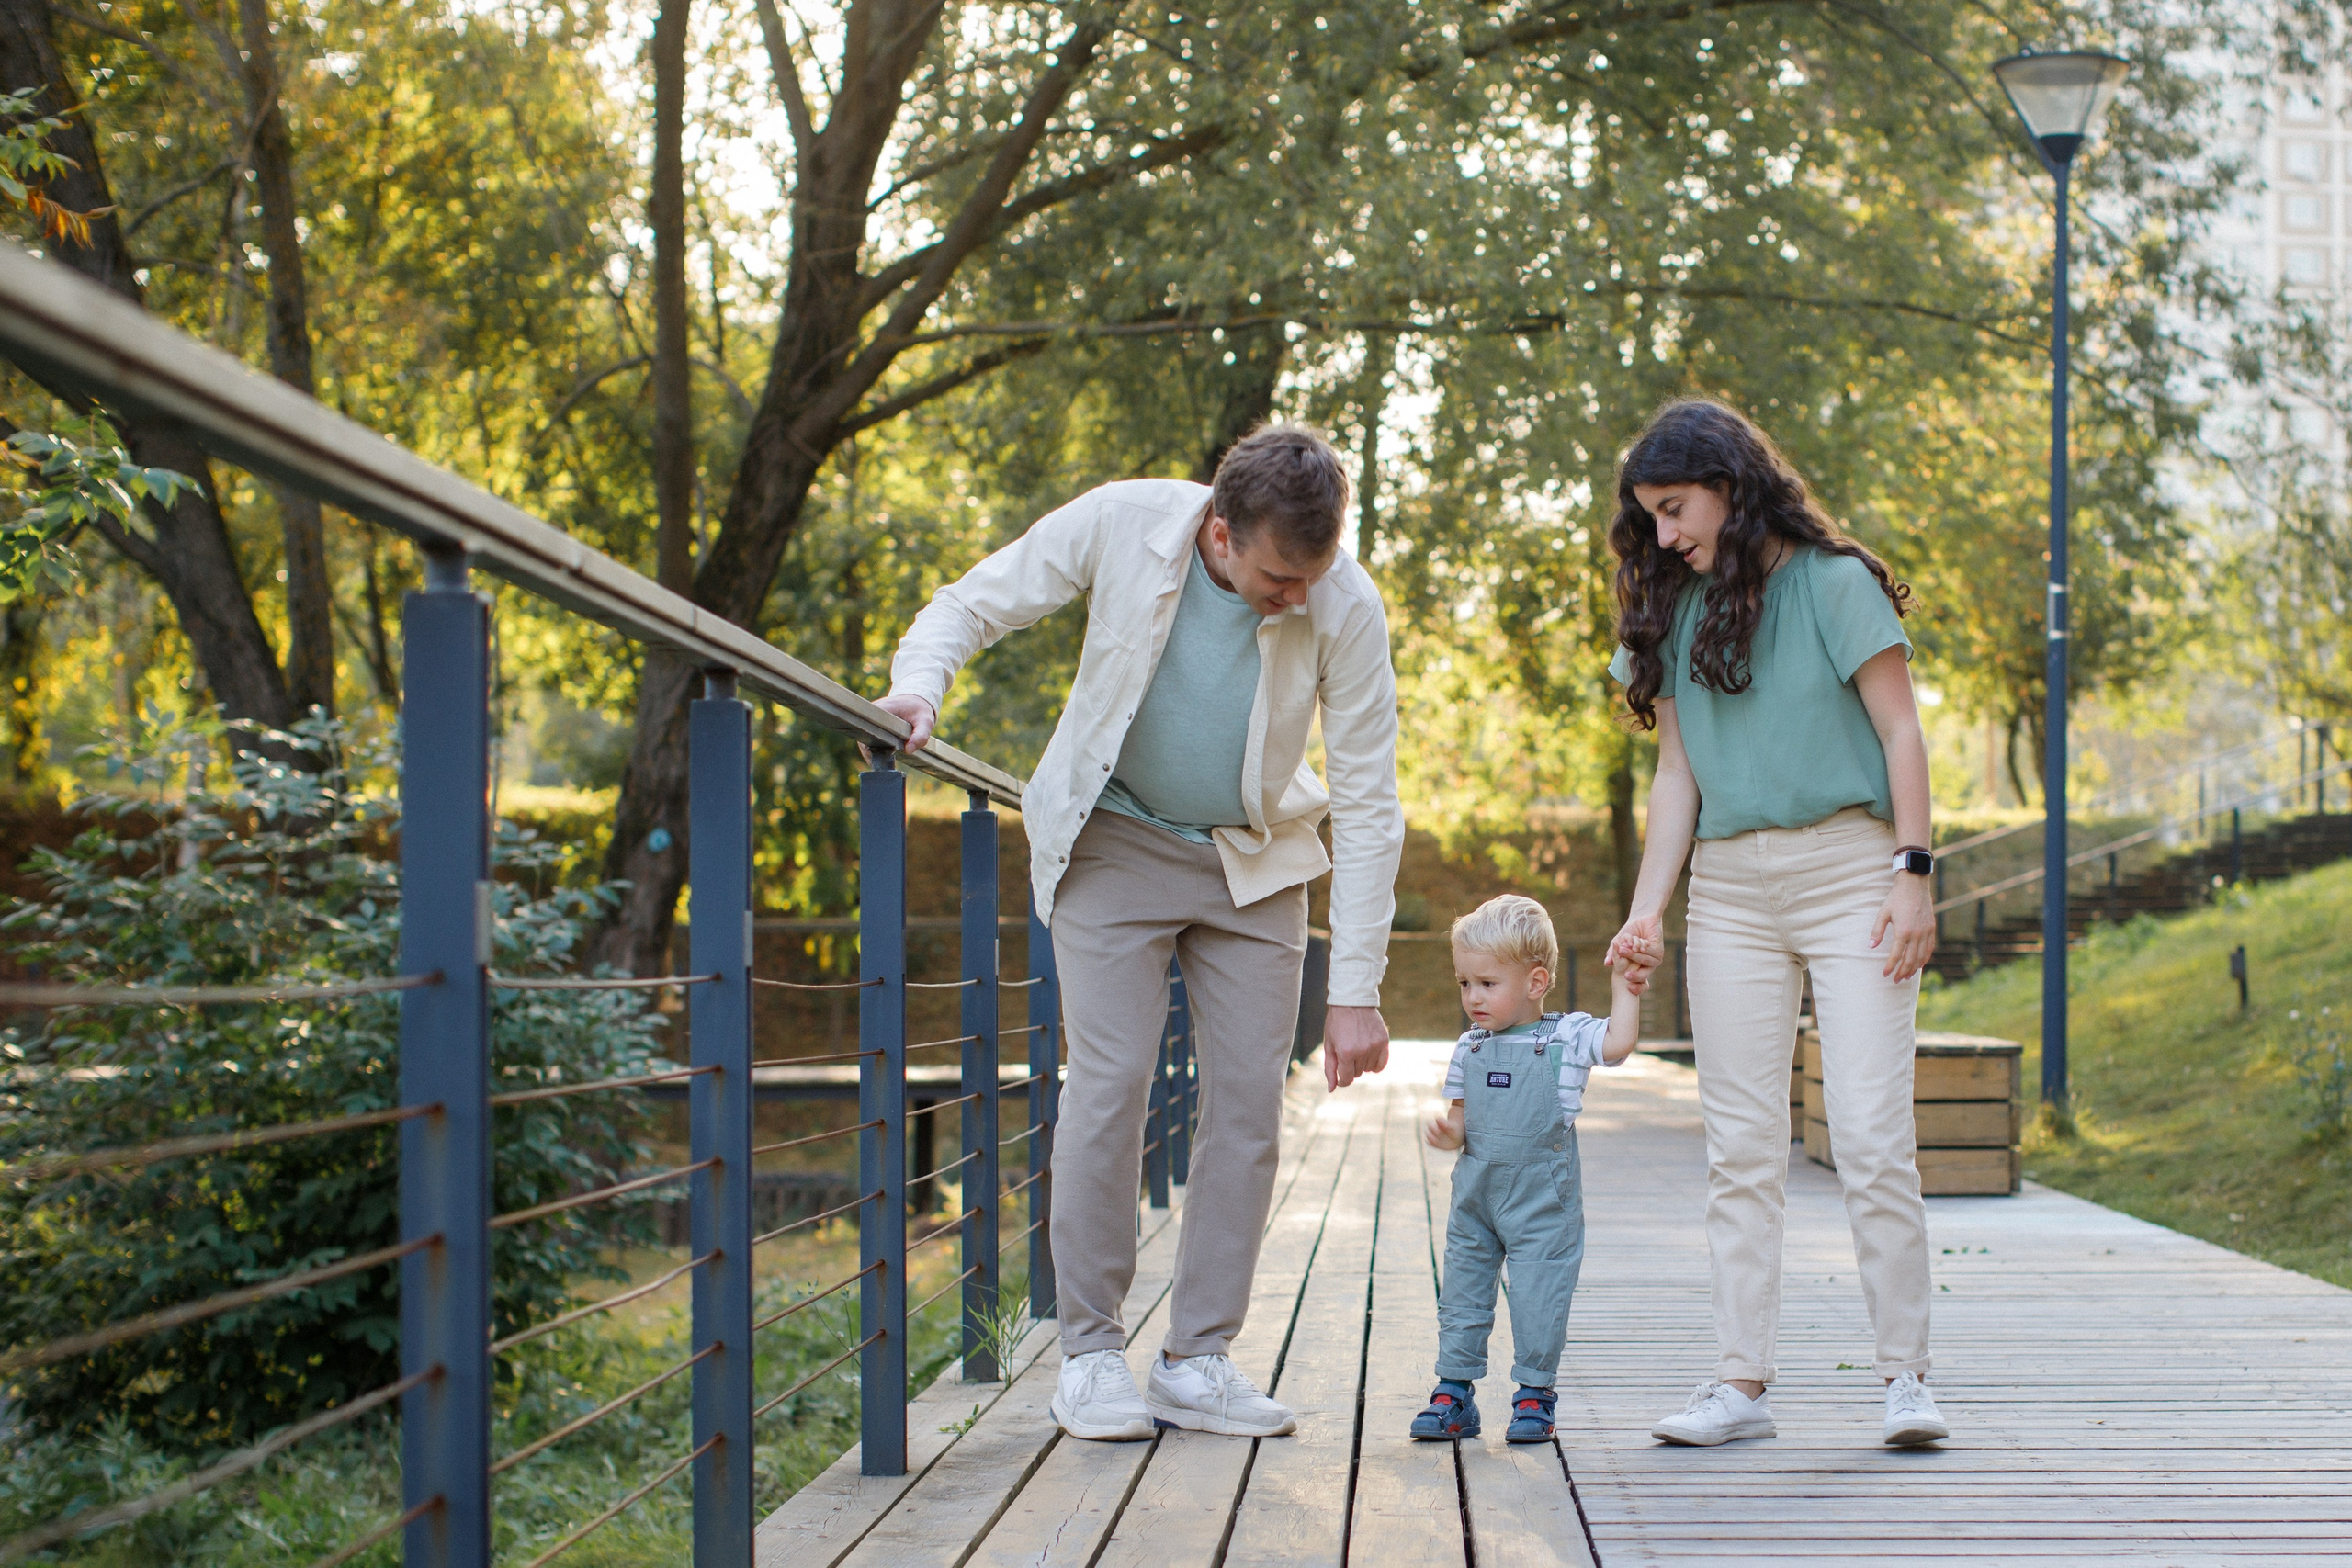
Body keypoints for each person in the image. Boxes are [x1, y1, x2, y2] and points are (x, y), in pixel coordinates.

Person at [878, 425, 1406, 1443]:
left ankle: (1196, 1358)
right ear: (1219, 534)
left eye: (1312, 575)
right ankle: (1088, 1357)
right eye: (1277, 576)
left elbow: (1373, 799)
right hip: (1114, 840)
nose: (1295, 597)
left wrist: (1357, 987)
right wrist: (920, 685)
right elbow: (970, 603)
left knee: (1249, 1102)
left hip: (1254, 861)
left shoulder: (1344, 601)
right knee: (1112, 1084)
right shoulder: (1122, 522)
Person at [1600, 399, 1950, 1449]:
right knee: (1738, 1147)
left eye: (1675, 509)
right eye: (1650, 519)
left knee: (1871, 1134)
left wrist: (1912, 874)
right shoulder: (1666, 611)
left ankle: (1904, 1380)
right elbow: (1677, 776)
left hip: (1852, 873)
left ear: (1729, 484)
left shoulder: (1833, 585)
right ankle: (1738, 1383)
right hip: (1732, 892)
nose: (1663, 536)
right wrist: (1645, 913)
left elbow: (1901, 731)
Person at [1412, 895, 1649, 1445]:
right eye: (1464, 983)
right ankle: (1454, 1393)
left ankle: (1534, 1394)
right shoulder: (1469, 1048)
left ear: (1536, 982)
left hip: (1542, 1200)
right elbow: (1460, 1120)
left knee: (1539, 1293)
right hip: (1475, 1199)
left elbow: (1618, 1044)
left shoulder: (1565, 1038)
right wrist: (1450, 1135)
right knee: (1463, 1292)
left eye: (1487, 983)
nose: (1472, 997)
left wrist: (1625, 990)